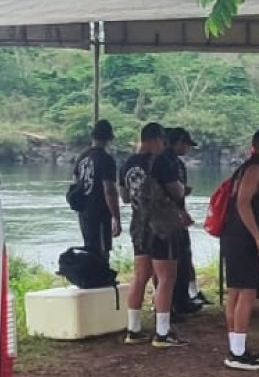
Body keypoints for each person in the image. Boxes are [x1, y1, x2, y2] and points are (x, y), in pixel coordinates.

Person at [219, 128, 259, 372]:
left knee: (235, 293)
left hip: (233, 236)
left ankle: (236, 347)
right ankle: (237, 353)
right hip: (243, 237)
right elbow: (243, 202)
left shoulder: (249, 169)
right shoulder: (255, 169)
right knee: (246, 293)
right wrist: (258, 237)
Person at [120, 122, 186, 349]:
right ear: (157, 139)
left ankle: (134, 329)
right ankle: (162, 332)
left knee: (140, 276)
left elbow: (125, 197)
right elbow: (176, 191)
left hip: (138, 224)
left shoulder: (128, 163)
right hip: (162, 226)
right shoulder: (161, 161)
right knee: (166, 278)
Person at [165, 128, 206, 316]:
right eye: (186, 145)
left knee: (182, 258)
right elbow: (175, 192)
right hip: (170, 218)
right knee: (173, 262)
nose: (187, 149)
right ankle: (174, 304)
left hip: (176, 215)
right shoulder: (168, 163)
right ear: (178, 142)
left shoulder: (174, 163)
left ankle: (181, 300)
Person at [71, 119, 119, 263]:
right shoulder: (106, 159)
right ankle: (101, 278)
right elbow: (109, 190)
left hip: (83, 211)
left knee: (90, 247)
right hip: (99, 212)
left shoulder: (82, 156)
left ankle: (92, 278)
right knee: (102, 250)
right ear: (109, 138)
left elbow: (74, 181)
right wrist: (116, 217)